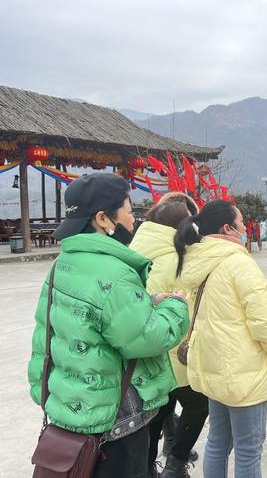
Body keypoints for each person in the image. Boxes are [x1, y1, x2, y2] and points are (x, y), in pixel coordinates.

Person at [27, 173, 190, 477]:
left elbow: (83, 318)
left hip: (73, 408)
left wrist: (146, 301)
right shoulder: (115, 271)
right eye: (128, 210)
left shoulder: (61, 264)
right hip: (115, 423)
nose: (132, 220)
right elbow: (147, 337)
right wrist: (176, 305)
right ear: (104, 218)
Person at [173, 200, 267, 478]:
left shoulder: (199, 262)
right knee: (249, 449)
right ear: (227, 228)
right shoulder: (238, 263)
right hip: (243, 373)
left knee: (218, 442)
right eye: (241, 223)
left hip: (214, 370)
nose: (245, 228)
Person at [129, 193, 208, 478]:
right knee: (199, 404)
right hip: (170, 348)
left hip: (141, 348)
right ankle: (175, 465)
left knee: (158, 411)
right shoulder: (174, 257)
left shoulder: (138, 247)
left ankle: (149, 467)